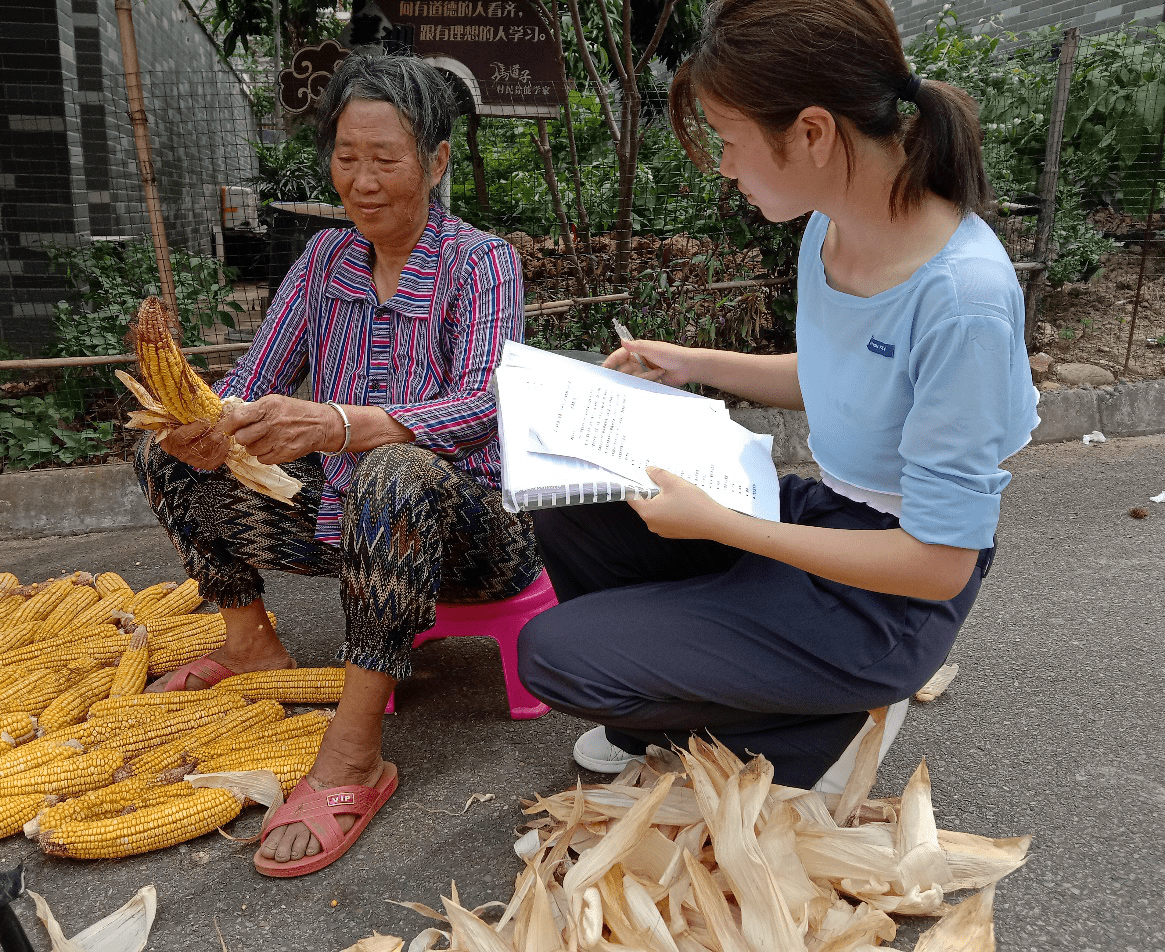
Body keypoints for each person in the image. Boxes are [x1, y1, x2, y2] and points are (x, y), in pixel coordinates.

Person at [517, 0, 1040, 790]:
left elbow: (936, 564)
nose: (723, 165)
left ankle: (816, 724)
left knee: (553, 655)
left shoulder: (961, 299)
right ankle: (677, 711)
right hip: (825, 517)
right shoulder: (828, 228)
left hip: (887, 599)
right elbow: (842, 377)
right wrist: (690, 362)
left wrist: (722, 525)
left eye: (728, 140)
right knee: (578, 489)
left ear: (811, 133)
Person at [132, 52, 541, 876]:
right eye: (345, 158)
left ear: (435, 162)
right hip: (347, 527)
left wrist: (341, 424)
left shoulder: (481, 262)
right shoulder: (322, 263)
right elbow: (254, 382)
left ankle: (355, 753)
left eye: (385, 160)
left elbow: (485, 406)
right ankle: (251, 641)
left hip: (475, 535)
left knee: (394, 470)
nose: (361, 180)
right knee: (161, 451)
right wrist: (212, 422)